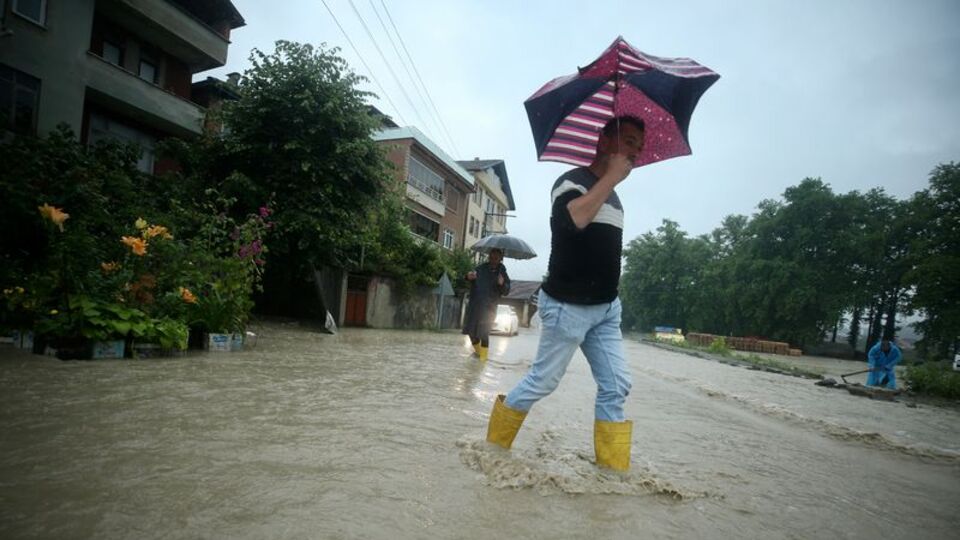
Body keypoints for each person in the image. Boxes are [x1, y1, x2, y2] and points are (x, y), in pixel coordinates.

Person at [485, 116, 644, 471]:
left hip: (606, 308)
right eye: (629, 141)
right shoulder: (570, 182)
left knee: (617, 385)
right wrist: (610, 179)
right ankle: (492, 451)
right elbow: (573, 222)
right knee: (543, 382)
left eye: (639, 146)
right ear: (604, 141)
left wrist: (611, 183)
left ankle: (612, 477)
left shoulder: (615, 199)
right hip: (566, 305)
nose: (635, 152)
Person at [462, 248, 510, 361]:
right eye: (491, 257)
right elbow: (468, 277)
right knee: (470, 332)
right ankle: (479, 353)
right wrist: (467, 277)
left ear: (500, 259)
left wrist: (502, 284)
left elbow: (507, 291)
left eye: (496, 258)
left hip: (490, 308)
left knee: (483, 333)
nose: (493, 260)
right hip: (475, 305)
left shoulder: (502, 273)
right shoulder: (480, 268)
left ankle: (483, 361)